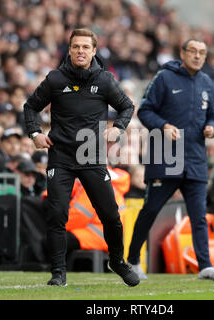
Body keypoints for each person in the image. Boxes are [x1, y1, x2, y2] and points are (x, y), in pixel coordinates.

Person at [23, 28, 139, 287]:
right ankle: (58, 272)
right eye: (76, 47)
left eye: (85, 47)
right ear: (70, 49)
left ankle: (118, 261)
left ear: (94, 51)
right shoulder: (55, 79)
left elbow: (127, 106)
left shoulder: (105, 80)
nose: (80, 51)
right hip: (60, 157)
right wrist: (34, 133)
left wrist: (118, 128)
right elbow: (30, 107)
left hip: (92, 157)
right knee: (57, 215)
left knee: (110, 215)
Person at [127, 39, 214, 282]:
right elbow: (144, 111)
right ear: (182, 53)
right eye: (192, 51)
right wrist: (163, 126)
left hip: (195, 158)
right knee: (150, 210)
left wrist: (212, 128)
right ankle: (131, 260)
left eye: (202, 53)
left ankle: (205, 266)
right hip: (165, 156)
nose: (197, 56)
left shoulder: (206, 82)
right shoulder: (164, 78)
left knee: (199, 216)